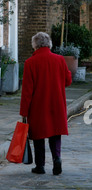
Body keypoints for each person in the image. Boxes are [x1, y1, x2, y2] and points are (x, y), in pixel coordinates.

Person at [20, 32, 72, 175]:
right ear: (49, 44)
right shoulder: (60, 60)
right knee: (55, 134)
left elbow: (27, 91)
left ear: (35, 45)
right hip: (56, 103)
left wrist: (24, 111)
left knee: (38, 136)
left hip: (38, 106)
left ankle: (40, 166)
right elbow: (68, 80)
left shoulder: (30, 63)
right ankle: (57, 158)